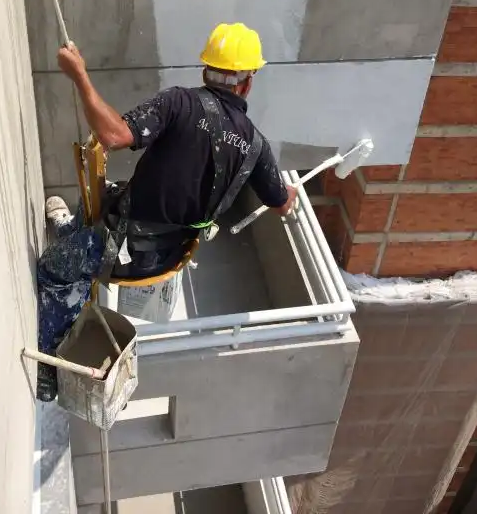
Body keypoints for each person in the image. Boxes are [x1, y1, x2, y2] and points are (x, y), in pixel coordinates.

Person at [36, 23, 298, 400]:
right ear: (247, 84)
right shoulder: (256, 146)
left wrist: (79, 75)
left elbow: (113, 136)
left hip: (121, 250)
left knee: (52, 271)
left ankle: (48, 369)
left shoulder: (179, 103)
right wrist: (287, 193)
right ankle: (69, 231)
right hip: (167, 256)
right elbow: (281, 203)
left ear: (205, 71)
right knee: (105, 194)